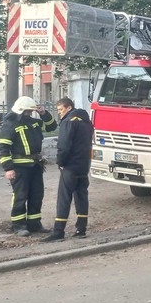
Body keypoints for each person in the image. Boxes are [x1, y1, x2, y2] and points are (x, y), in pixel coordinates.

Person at [0, 96, 58, 236]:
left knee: (37, 195)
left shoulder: (35, 123)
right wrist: (8, 168)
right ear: (20, 109)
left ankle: (34, 224)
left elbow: (52, 126)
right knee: (20, 196)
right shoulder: (9, 125)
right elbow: (2, 148)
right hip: (19, 168)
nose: (30, 113)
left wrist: (44, 113)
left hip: (36, 165)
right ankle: (18, 226)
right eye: (28, 111)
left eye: (31, 111)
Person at [44, 98, 94, 241]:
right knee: (81, 196)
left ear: (69, 107)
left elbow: (64, 146)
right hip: (83, 165)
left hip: (70, 166)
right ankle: (81, 229)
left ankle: (58, 232)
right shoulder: (86, 122)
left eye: (61, 110)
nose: (60, 113)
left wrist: (60, 162)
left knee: (64, 198)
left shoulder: (68, 122)